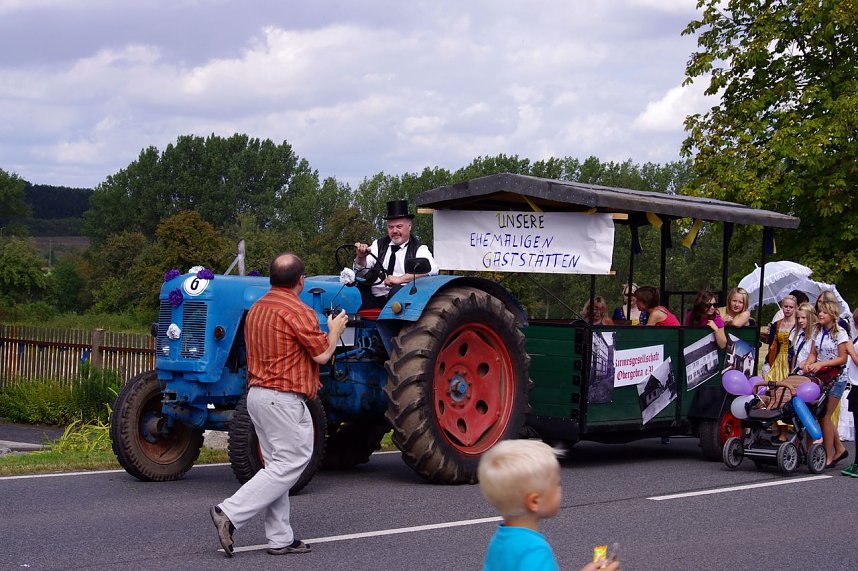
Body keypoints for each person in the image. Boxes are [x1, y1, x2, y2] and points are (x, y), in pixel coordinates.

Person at [211, 253, 349, 557]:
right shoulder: (298, 310)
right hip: (283, 397)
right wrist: (335, 331)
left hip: (257, 396)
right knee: (291, 465)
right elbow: (322, 356)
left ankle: (280, 538)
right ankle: (229, 512)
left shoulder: (256, 308)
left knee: (276, 466)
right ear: (301, 281)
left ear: (273, 278)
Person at [478, 440, 620, 571]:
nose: (560, 488)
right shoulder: (534, 550)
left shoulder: (500, 540)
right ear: (534, 501)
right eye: (557, 483)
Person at [354, 199, 439, 308]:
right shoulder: (378, 245)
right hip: (374, 297)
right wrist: (361, 257)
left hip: (401, 302)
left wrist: (399, 279)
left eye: (399, 226)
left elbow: (432, 269)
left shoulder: (419, 249)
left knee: (396, 291)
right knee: (352, 292)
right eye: (390, 227)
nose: (394, 231)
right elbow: (363, 269)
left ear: (409, 226)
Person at [799, 299, 849, 468]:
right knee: (813, 411)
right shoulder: (817, 331)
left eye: (824, 312)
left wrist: (822, 364)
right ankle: (812, 451)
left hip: (837, 377)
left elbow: (843, 358)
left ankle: (829, 456)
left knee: (825, 415)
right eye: (819, 311)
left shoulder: (840, 332)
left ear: (832, 315)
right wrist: (808, 363)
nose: (820, 314)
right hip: (819, 376)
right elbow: (813, 354)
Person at [764, 295, 797, 382]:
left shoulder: (798, 325)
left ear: (795, 308)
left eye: (791, 307)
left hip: (791, 359)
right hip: (777, 358)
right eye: (786, 306)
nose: (788, 309)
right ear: (782, 307)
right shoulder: (776, 324)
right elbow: (771, 345)